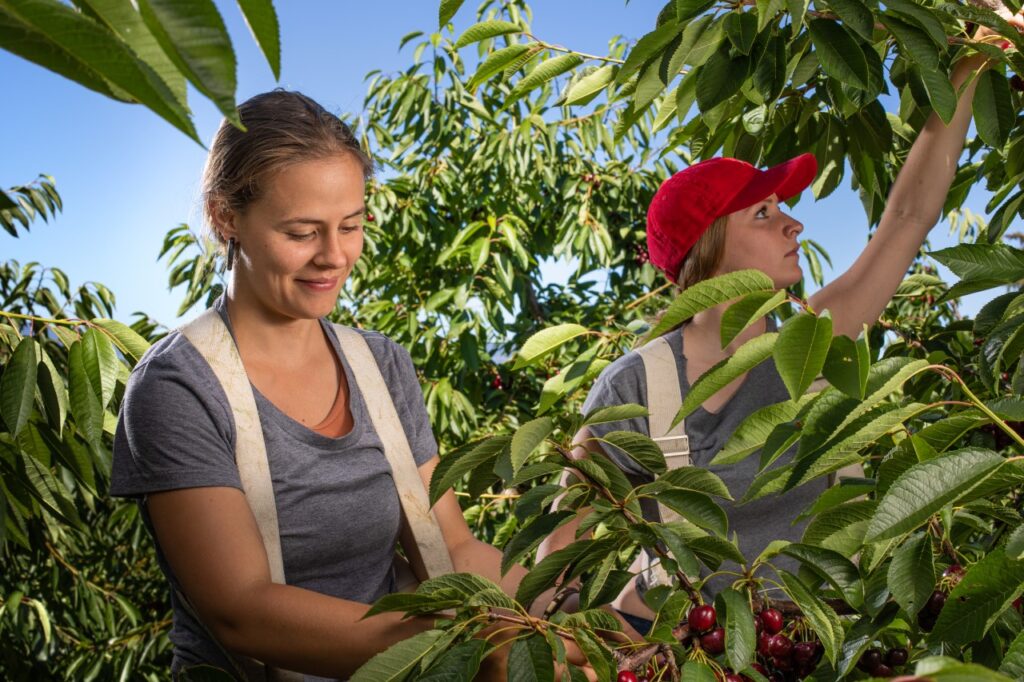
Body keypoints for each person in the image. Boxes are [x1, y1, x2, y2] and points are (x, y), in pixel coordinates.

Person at [537, 25, 1022, 635]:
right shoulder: (633, 388)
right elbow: (559, 556)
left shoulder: (818, 341)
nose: (793, 224)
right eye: (763, 213)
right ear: (708, 248)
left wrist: (971, 64)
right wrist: (597, 637)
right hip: (703, 658)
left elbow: (907, 216)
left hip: (845, 645)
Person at [110, 91, 606, 681]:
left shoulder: (380, 365)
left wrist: (572, 612)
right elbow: (240, 611)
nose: (335, 256)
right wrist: (469, 642)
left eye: (351, 225)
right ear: (225, 217)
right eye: (302, 232)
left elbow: (451, 547)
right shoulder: (177, 387)